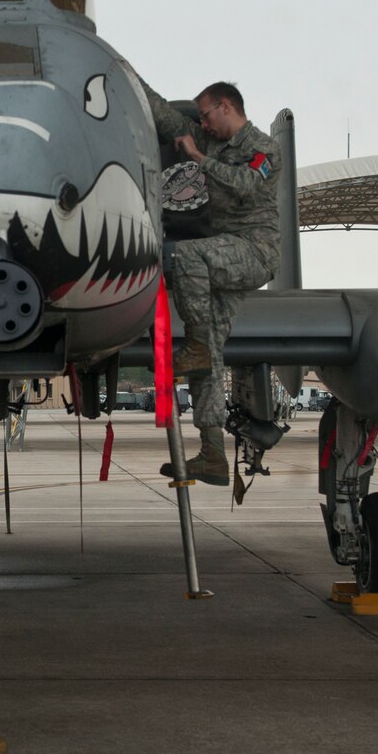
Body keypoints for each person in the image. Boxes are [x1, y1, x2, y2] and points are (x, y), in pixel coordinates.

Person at [143, 79, 282, 484]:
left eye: (206, 115)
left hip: (254, 251)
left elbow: (244, 186)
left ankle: (197, 345)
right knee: (210, 357)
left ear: (226, 107)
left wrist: (199, 159)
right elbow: (168, 116)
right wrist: (123, 70)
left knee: (184, 254)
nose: (201, 123)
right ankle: (212, 454)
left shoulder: (264, 149)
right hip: (223, 256)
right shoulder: (211, 138)